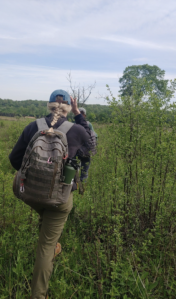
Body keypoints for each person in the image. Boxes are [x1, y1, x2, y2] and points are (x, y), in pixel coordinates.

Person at [9, 89, 91, 299]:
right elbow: (90, 147)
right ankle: (38, 295)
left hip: (27, 193)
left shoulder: (33, 126)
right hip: (58, 199)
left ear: (48, 105)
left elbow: (14, 160)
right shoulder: (77, 130)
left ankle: (51, 236)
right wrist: (79, 115)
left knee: (43, 211)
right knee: (45, 247)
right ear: (68, 108)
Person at [78, 107, 97, 182]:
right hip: (87, 152)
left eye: (81, 113)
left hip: (78, 152)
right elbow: (95, 136)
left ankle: (77, 189)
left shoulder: (74, 124)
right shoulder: (89, 125)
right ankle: (81, 191)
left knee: (77, 171)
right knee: (84, 173)